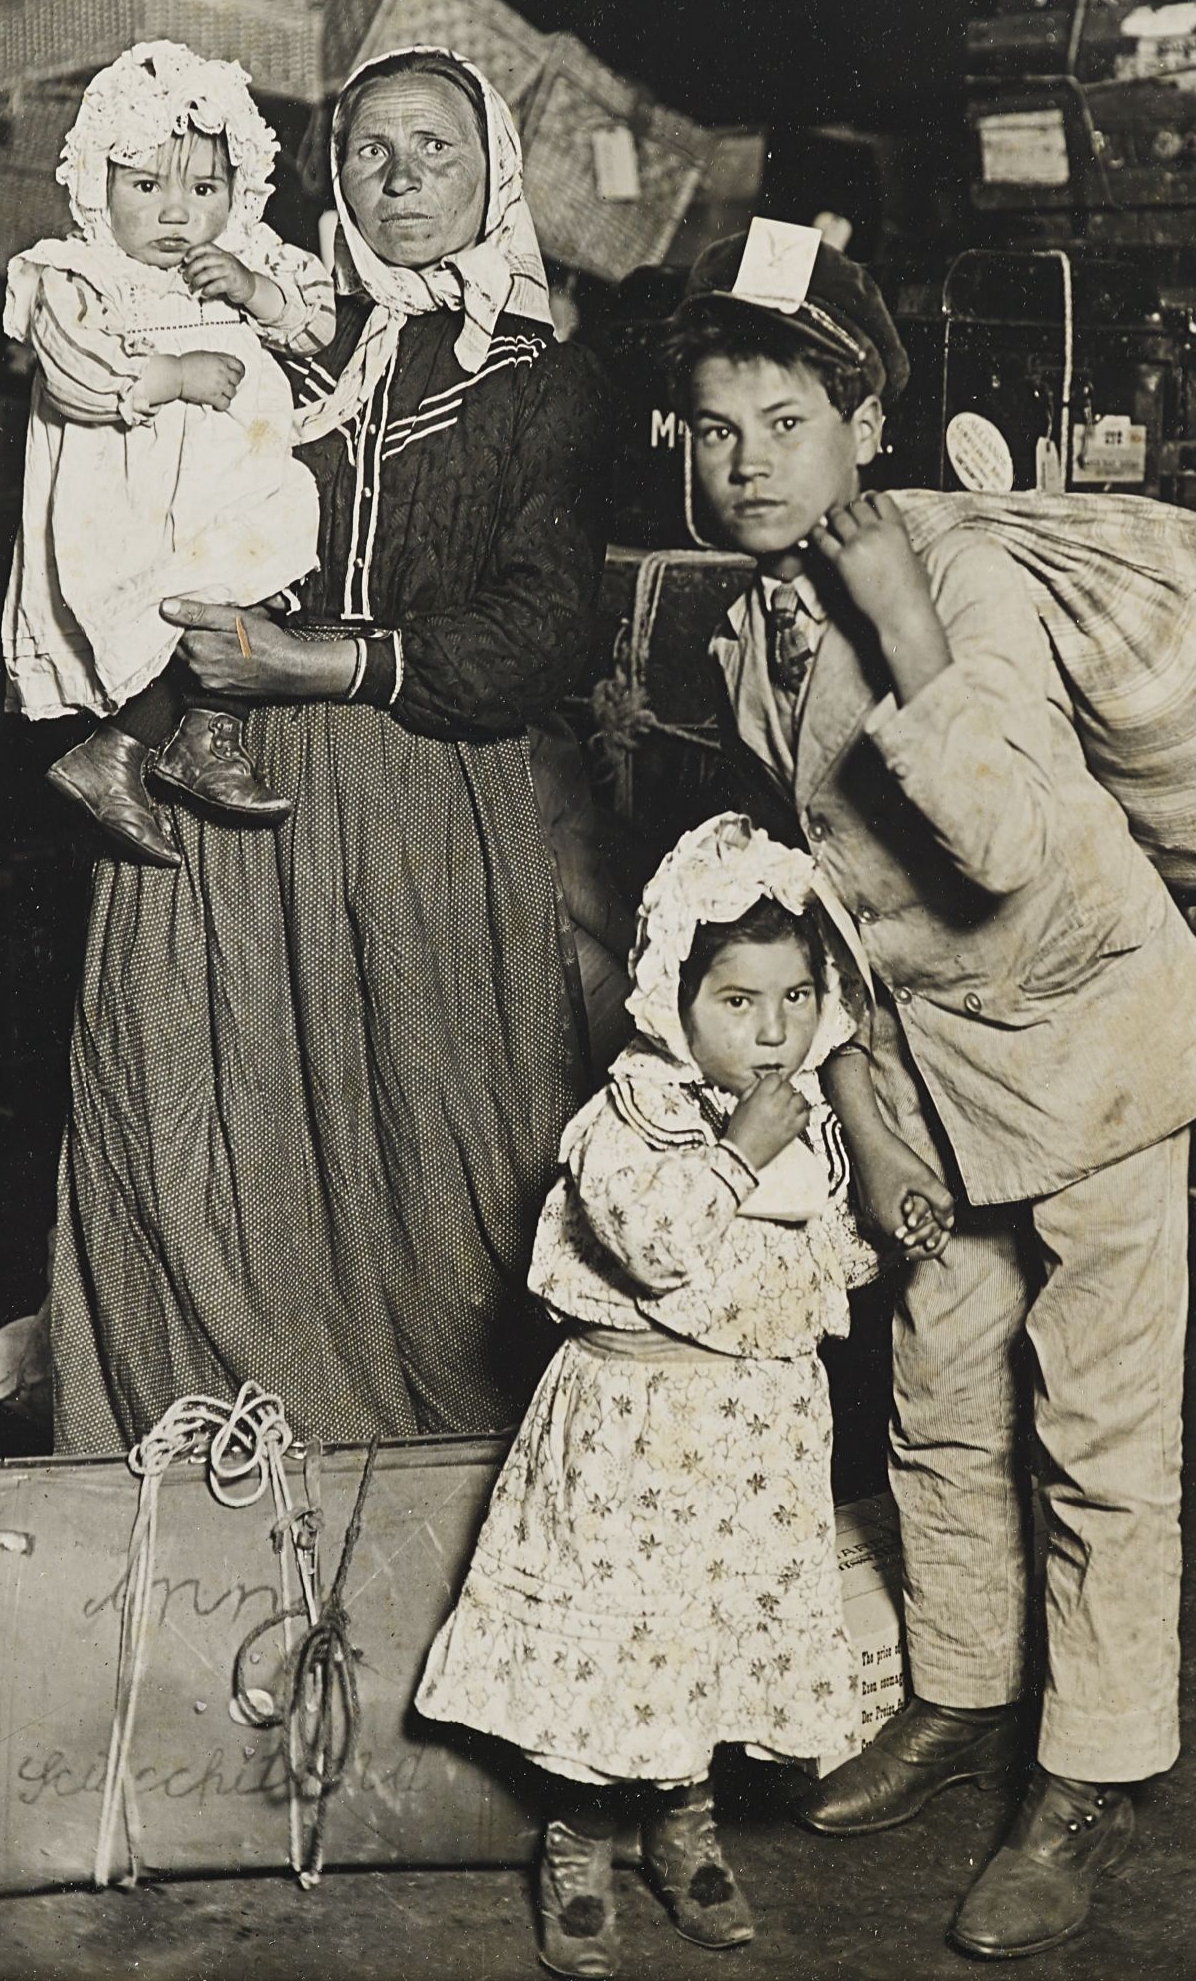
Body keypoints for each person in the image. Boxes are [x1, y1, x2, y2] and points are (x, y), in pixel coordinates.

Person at [662, 225, 1196, 1959]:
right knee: (931, 1393)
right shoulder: (745, 626)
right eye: (713, 427)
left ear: (865, 417)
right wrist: (857, 1108)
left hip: (1090, 1048)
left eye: (784, 417)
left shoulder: (965, 572)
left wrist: (905, 617)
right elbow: (818, 903)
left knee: (1100, 1430)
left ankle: (1091, 1769)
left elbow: (996, 836)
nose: (748, 459)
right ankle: (965, 1686)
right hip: (923, 1072)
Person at [48, 46, 611, 1454]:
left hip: (419, 791)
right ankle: (208, 1463)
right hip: (218, 785)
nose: (404, 174)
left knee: (441, 1156)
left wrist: (317, 658)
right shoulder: (277, 335)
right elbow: (97, 322)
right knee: (193, 1123)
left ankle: (432, 1492)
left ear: (496, 171)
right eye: (369, 150)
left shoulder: (546, 380)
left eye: (437, 145)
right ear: (332, 181)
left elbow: (543, 632)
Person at [417, 812, 914, 1978]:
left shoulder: (810, 1123)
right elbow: (655, 1245)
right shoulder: (627, 1118)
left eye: (793, 998)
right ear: (671, 996)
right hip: (636, 1434)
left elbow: (816, 1263)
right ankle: (582, 1836)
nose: (771, 1030)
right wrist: (736, 1152)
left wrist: (884, 1230)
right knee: (624, 1638)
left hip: (752, 1437)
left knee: (708, 1634)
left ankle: (682, 1822)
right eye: (736, 1002)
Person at [3, 41, 336, 862]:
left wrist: (256, 292)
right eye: (146, 187)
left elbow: (322, 326)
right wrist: (171, 374)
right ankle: (119, 746)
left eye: (204, 188)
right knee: (163, 613)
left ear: (240, 191)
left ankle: (194, 739)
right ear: (98, 186)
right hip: (133, 493)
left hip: (233, 484)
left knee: (255, 581)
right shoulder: (79, 274)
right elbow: (75, 375)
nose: (177, 214)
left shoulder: (245, 257)